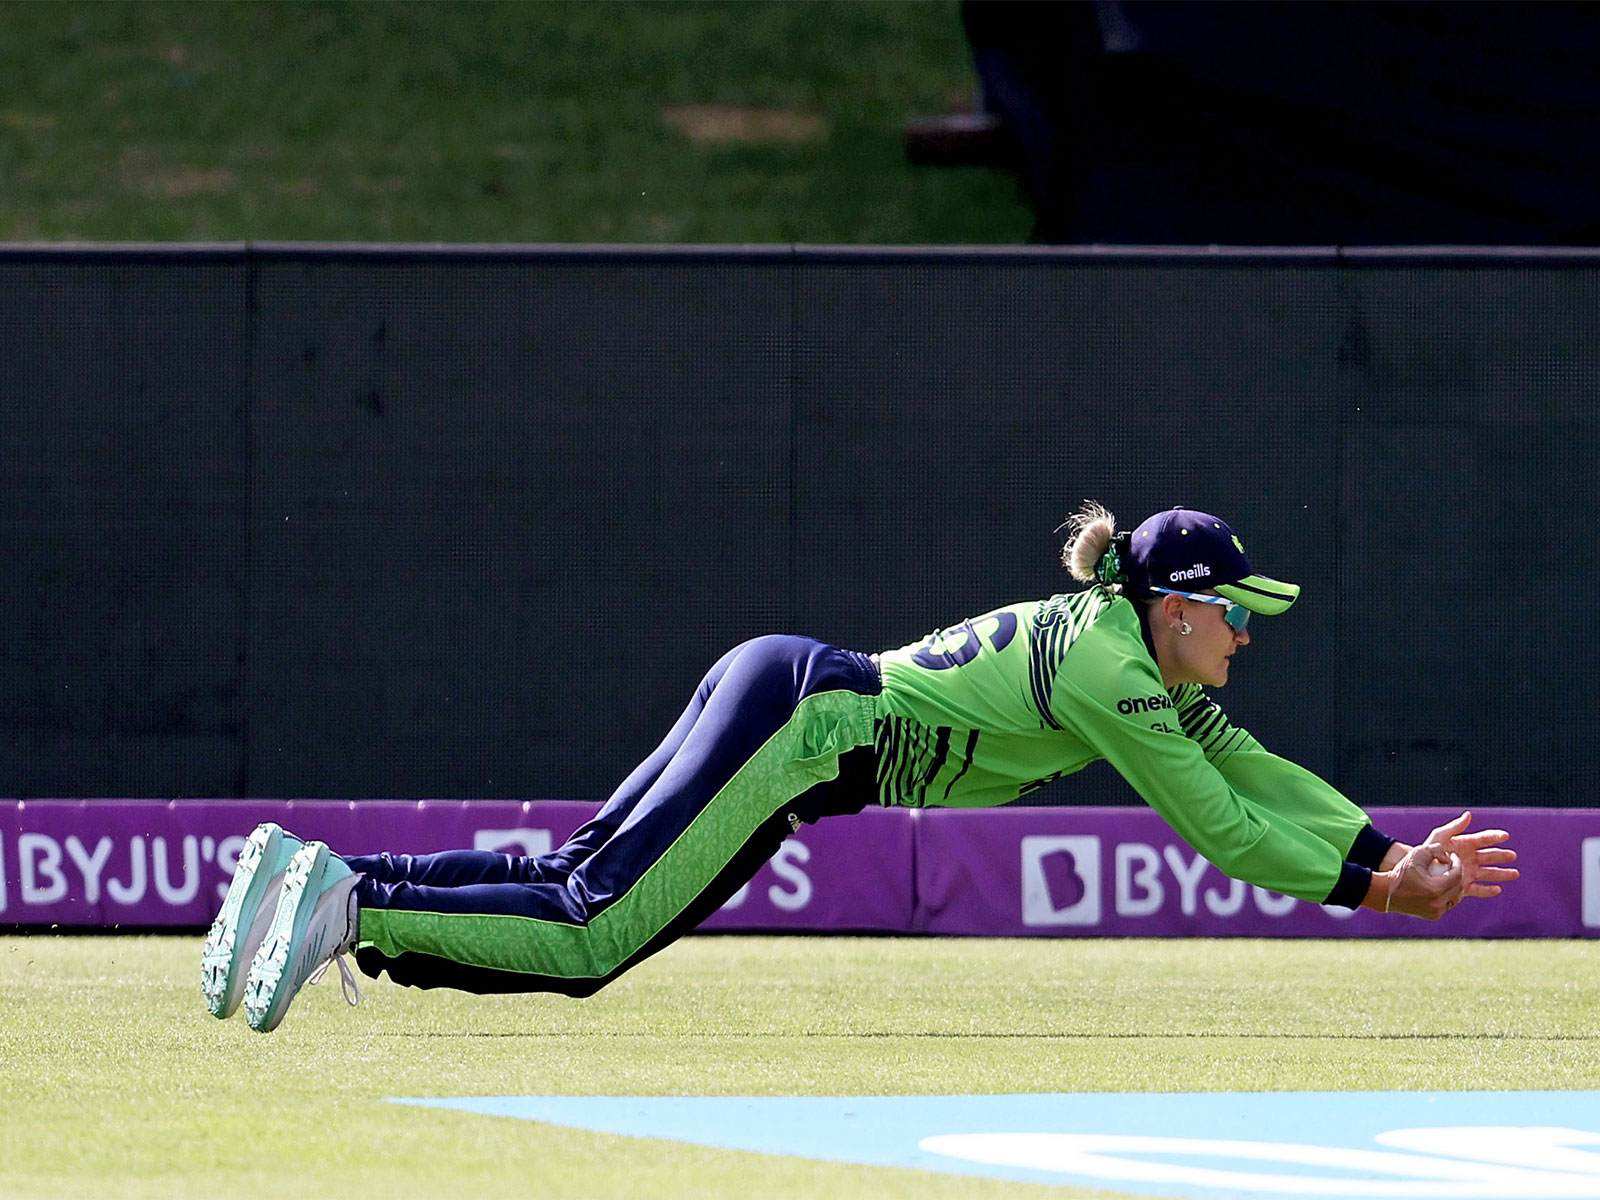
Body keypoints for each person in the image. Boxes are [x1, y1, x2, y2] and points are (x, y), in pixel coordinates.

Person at [201, 502, 1518, 1032]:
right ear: (1173, 608)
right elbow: (1222, 827)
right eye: (1232, 613)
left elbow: (1264, 776)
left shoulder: (1139, 657)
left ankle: (318, 878)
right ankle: (351, 906)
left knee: (574, 885)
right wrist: (1379, 892)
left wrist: (1384, 849)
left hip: (786, 695)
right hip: (803, 730)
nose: (1244, 635)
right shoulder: (1117, 674)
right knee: (589, 932)